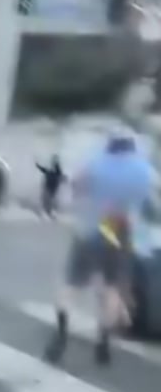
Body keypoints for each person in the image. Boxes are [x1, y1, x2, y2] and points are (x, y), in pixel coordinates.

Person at [44, 134, 157, 366]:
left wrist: (79, 203)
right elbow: (154, 202)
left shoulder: (95, 163)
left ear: (110, 146)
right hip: (118, 230)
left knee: (71, 284)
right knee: (112, 289)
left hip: (90, 228)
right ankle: (103, 341)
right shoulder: (145, 170)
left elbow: (73, 189)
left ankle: (61, 334)